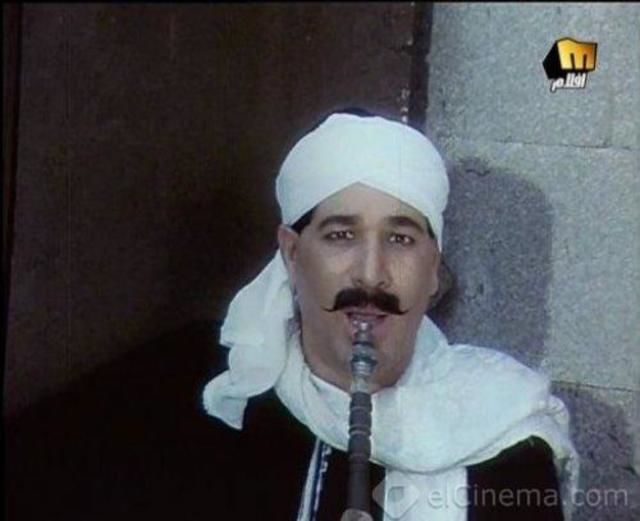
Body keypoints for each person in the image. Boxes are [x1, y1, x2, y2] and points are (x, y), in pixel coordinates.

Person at [201, 110, 579, 520]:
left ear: (432, 268)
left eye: (400, 239)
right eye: (341, 236)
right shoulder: (228, 417)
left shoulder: (504, 435)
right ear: (292, 255)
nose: (370, 274)